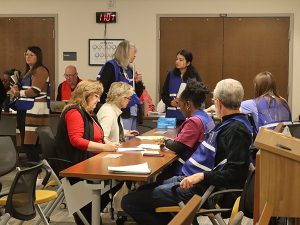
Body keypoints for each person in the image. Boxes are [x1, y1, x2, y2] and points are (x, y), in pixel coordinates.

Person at [121, 78, 253, 225]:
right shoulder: (231, 124)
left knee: (129, 202)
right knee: (141, 191)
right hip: (192, 180)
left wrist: (202, 176)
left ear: (218, 103)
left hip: (201, 190)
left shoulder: (236, 130)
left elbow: (236, 172)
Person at [54, 80, 119, 225]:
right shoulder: (74, 112)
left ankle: (93, 211)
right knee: (119, 178)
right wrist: (105, 148)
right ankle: (91, 213)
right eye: (96, 95)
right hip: (75, 165)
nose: (98, 99)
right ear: (85, 95)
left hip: (88, 161)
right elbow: (76, 140)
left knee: (120, 179)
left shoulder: (88, 113)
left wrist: (108, 143)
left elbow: (100, 136)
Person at [158, 79, 215, 179]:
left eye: (180, 105)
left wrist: (165, 140)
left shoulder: (194, 122)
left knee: (159, 180)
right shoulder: (207, 117)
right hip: (203, 165)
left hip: (188, 171)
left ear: (188, 105)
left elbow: (177, 147)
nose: (180, 109)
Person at [10, 46, 50, 162]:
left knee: (30, 143)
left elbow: (35, 91)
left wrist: (18, 93)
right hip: (24, 109)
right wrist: (18, 88)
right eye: (26, 54)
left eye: (31, 55)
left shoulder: (41, 70)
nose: (28, 57)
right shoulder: (27, 71)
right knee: (25, 142)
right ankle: (34, 170)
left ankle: (36, 170)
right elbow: (26, 89)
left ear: (38, 57)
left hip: (33, 110)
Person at [96, 40, 143, 131]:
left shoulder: (129, 69)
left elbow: (137, 93)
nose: (135, 55)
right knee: (123, 139)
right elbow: (103, 88)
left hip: (132, 110)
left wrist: (138, 83)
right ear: (125, 53)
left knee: (132, 139)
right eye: (133, 53)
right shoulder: (111, 66)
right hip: (120, 110)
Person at [161, 49, 202, 125]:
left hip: (187, 117)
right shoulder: (171, 75)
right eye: (176, 59)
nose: (177, 61)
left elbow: (199, 96)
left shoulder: (193, 77)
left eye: (181, 60)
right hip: (171, 117)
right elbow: (164, 95)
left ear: (188, 63)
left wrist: (185, 101)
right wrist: (170, 102)